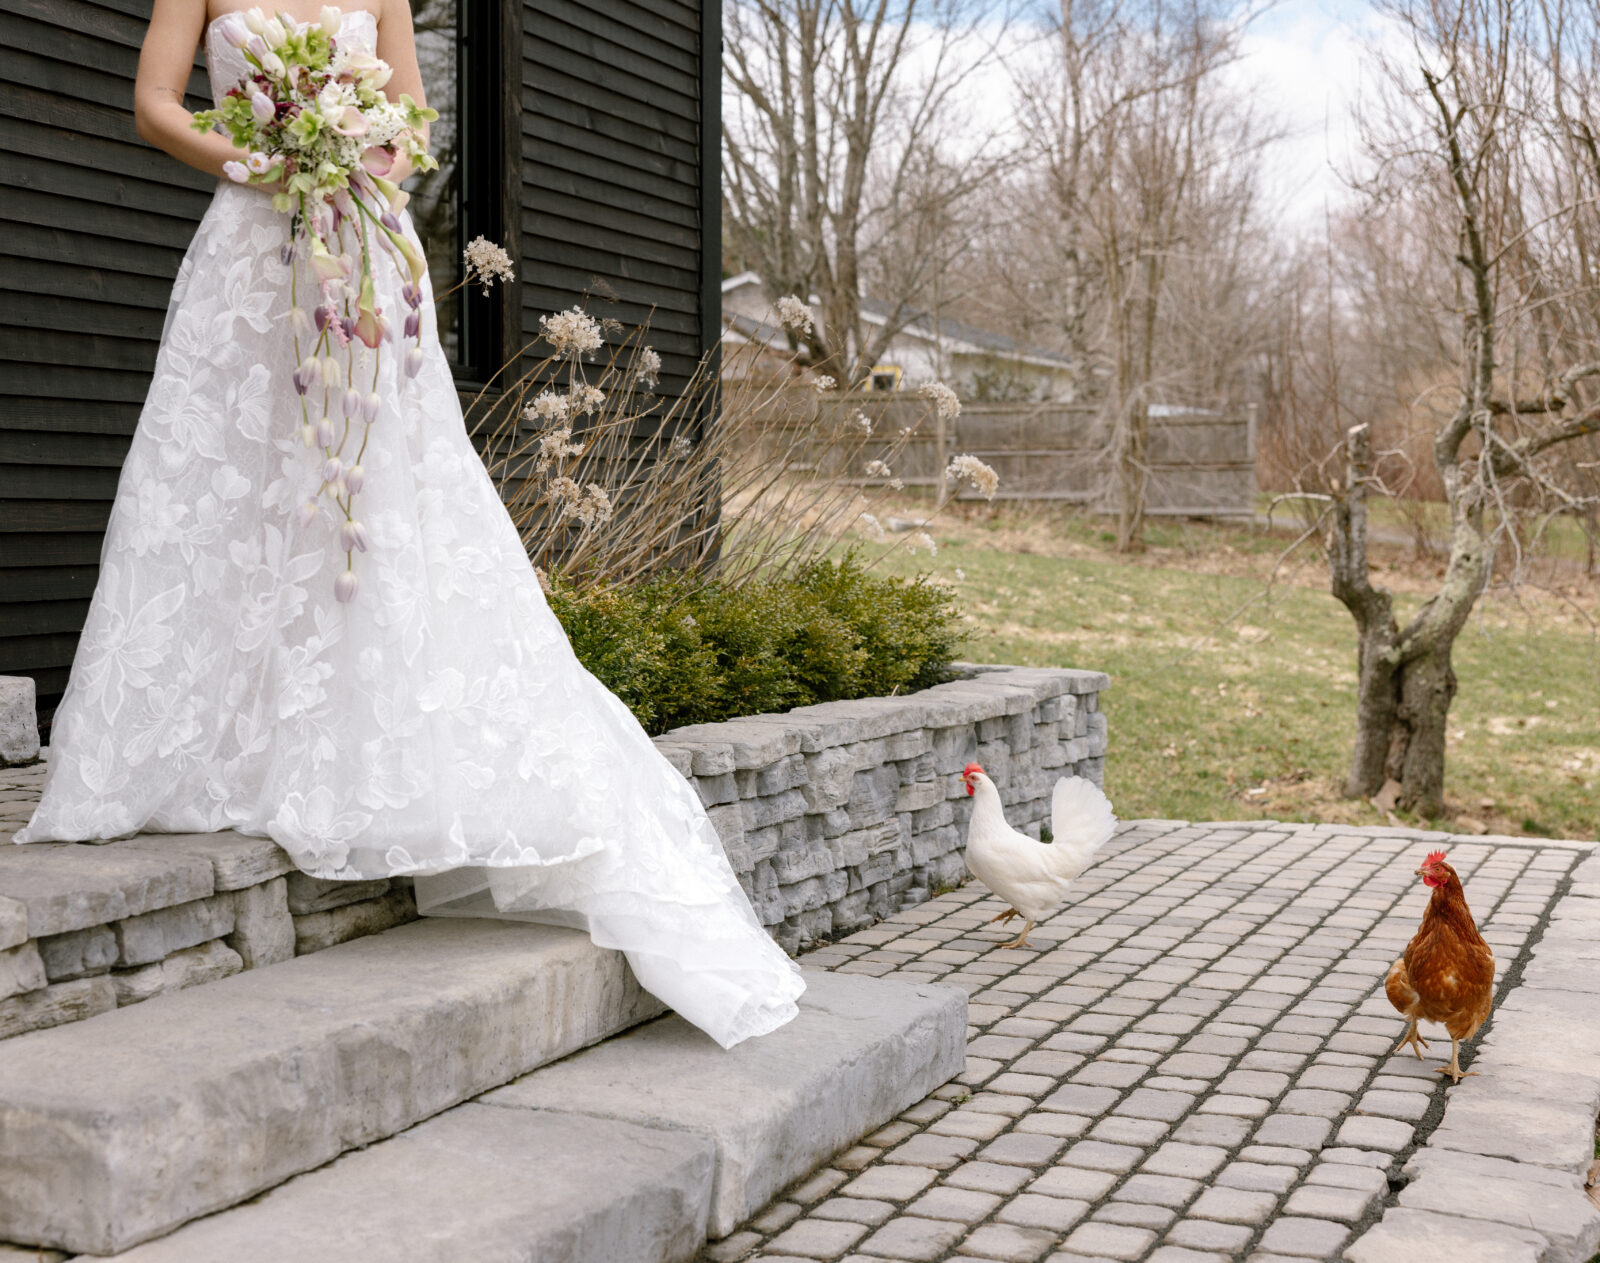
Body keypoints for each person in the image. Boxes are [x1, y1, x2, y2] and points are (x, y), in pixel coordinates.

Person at [14, 0, 803, 1050]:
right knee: (226, 483)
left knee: (364, 497)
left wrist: (357, 162)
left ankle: (340, 744)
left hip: (365, 260)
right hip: (247, 257)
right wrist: (256, 161)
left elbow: (416, 120)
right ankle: (209, 744)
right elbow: (156, 105)